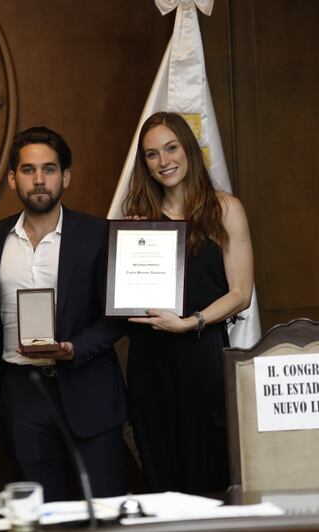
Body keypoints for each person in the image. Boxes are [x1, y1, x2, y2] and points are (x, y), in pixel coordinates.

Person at [0, 127, 127, 501]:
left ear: (66, 177)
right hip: (22, 393)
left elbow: (118, 316)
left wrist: (75, 348)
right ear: (13, 179)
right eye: (28, 170)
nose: (39, 179)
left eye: (49, 169)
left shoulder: (99, 234)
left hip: (88, 388)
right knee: (43, 514)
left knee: (107, 511)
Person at [123, 111, 253, 492]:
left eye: (171, 148)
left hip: (202, 354)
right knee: (160, 474)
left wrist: (190, 321)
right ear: (144, 165)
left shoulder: (225, 209)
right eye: (152, 155)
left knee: (209, 471)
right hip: (149, 358)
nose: (164, 162)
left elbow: (241, 293)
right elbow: (124, 299)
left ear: (188, 149)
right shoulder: (138, 220)